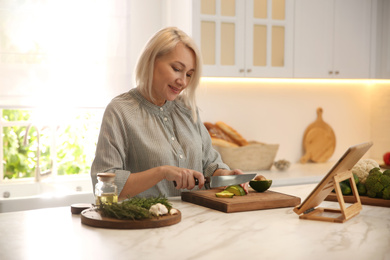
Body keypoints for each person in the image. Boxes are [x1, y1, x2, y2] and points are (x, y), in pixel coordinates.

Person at [91, 27, 244, 200]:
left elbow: (209, 165)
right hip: (146, 224)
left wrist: (226, 175)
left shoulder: (187, 109)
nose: (183, 82)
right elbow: (104, 185)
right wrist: (161, 172)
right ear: (151, 60)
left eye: (189, 74)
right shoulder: (120, 111)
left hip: (196, 222)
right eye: (177, 69)